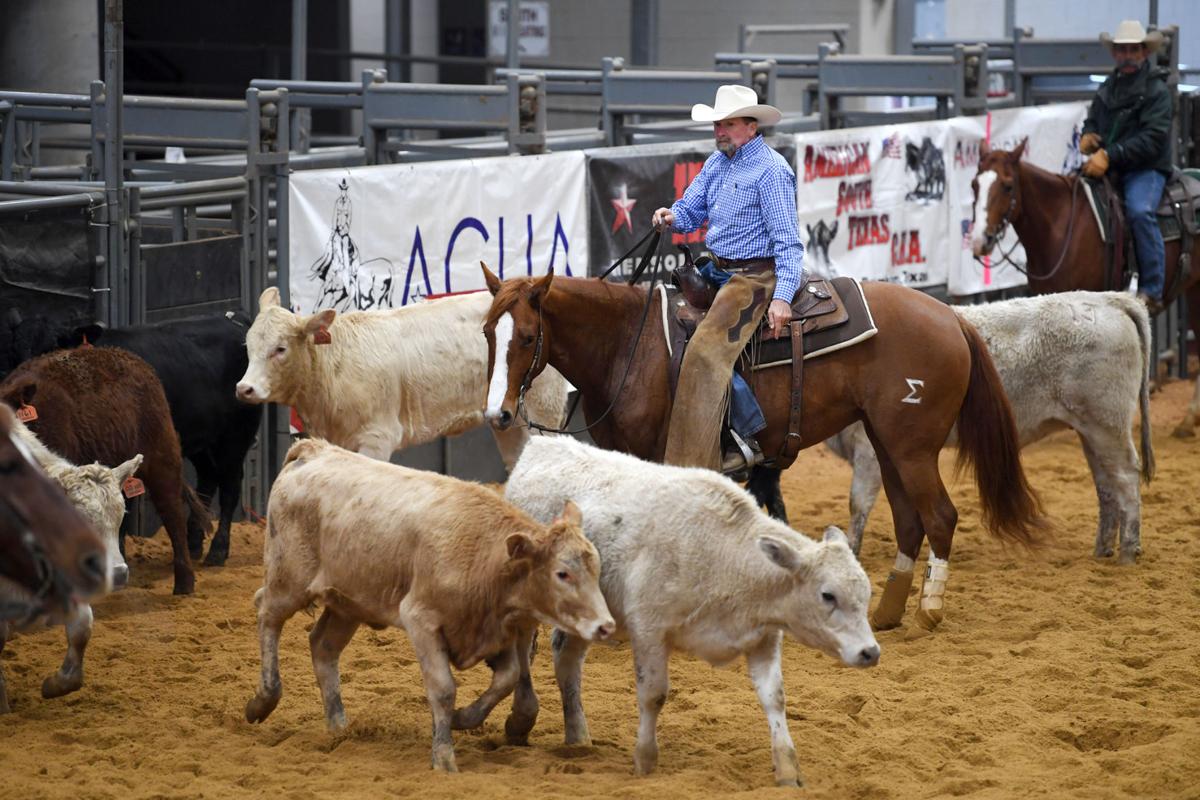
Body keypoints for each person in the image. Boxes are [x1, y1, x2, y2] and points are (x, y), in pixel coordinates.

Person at [651, 84, 804, 472]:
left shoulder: (771, 172)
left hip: (754, 277)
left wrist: (783, 297)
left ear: (752, 127)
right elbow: (689, 212)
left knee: (705, 351)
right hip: (717, 268)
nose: (720, 130)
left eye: (729, 123)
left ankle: (743, 435)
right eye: (718, 123)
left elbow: (788, 243)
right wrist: (670, 215)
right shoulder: (718, 162)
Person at [1080, 19, 1173, 316]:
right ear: (1115, 53)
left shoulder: (1157, 90)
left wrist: (1110, 154)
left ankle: (1153, 289)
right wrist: (1089, 134)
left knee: (1139, 211)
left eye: (1133, 49)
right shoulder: (1109, 87)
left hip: (1146, 169)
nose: (1127, 55)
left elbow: (1152, 139)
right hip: (1113, 166)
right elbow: (1094, 118)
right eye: (1122, 50)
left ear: (1144, 52)